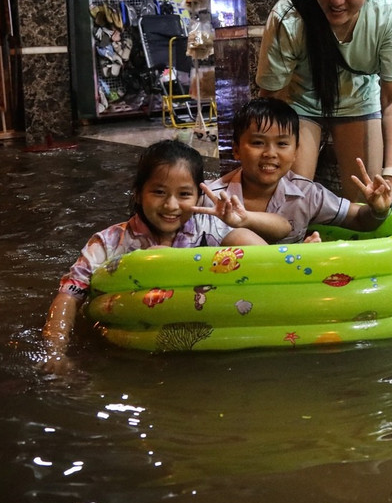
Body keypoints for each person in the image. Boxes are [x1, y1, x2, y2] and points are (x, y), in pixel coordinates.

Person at [41, 140, 265, 368]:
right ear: (138, 194)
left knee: (241, 237)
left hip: (204, 339)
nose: (171, 205)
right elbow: (69, 294)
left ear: (198, 196)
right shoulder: (109, 242)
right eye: (159, 192)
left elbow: (266, 258)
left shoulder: (209, 228)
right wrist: (55, 352)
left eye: (184, 194)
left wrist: (239, 222)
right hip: (133, 349)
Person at [256, 0, 392, 204]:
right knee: (291, 201)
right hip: (299, 104)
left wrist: (391, 175)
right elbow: (271, 97)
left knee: (371, 201)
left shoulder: (391, 16)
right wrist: (266, 160)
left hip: (358, 101)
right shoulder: (289, 14)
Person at [198, 97, 392, 244]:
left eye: (282, 144)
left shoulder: (306, 194)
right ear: (236, 150)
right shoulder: (213, 198)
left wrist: (377, 210)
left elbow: (359, 220)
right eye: (258, 143)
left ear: (295, 153)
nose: (270, 153)